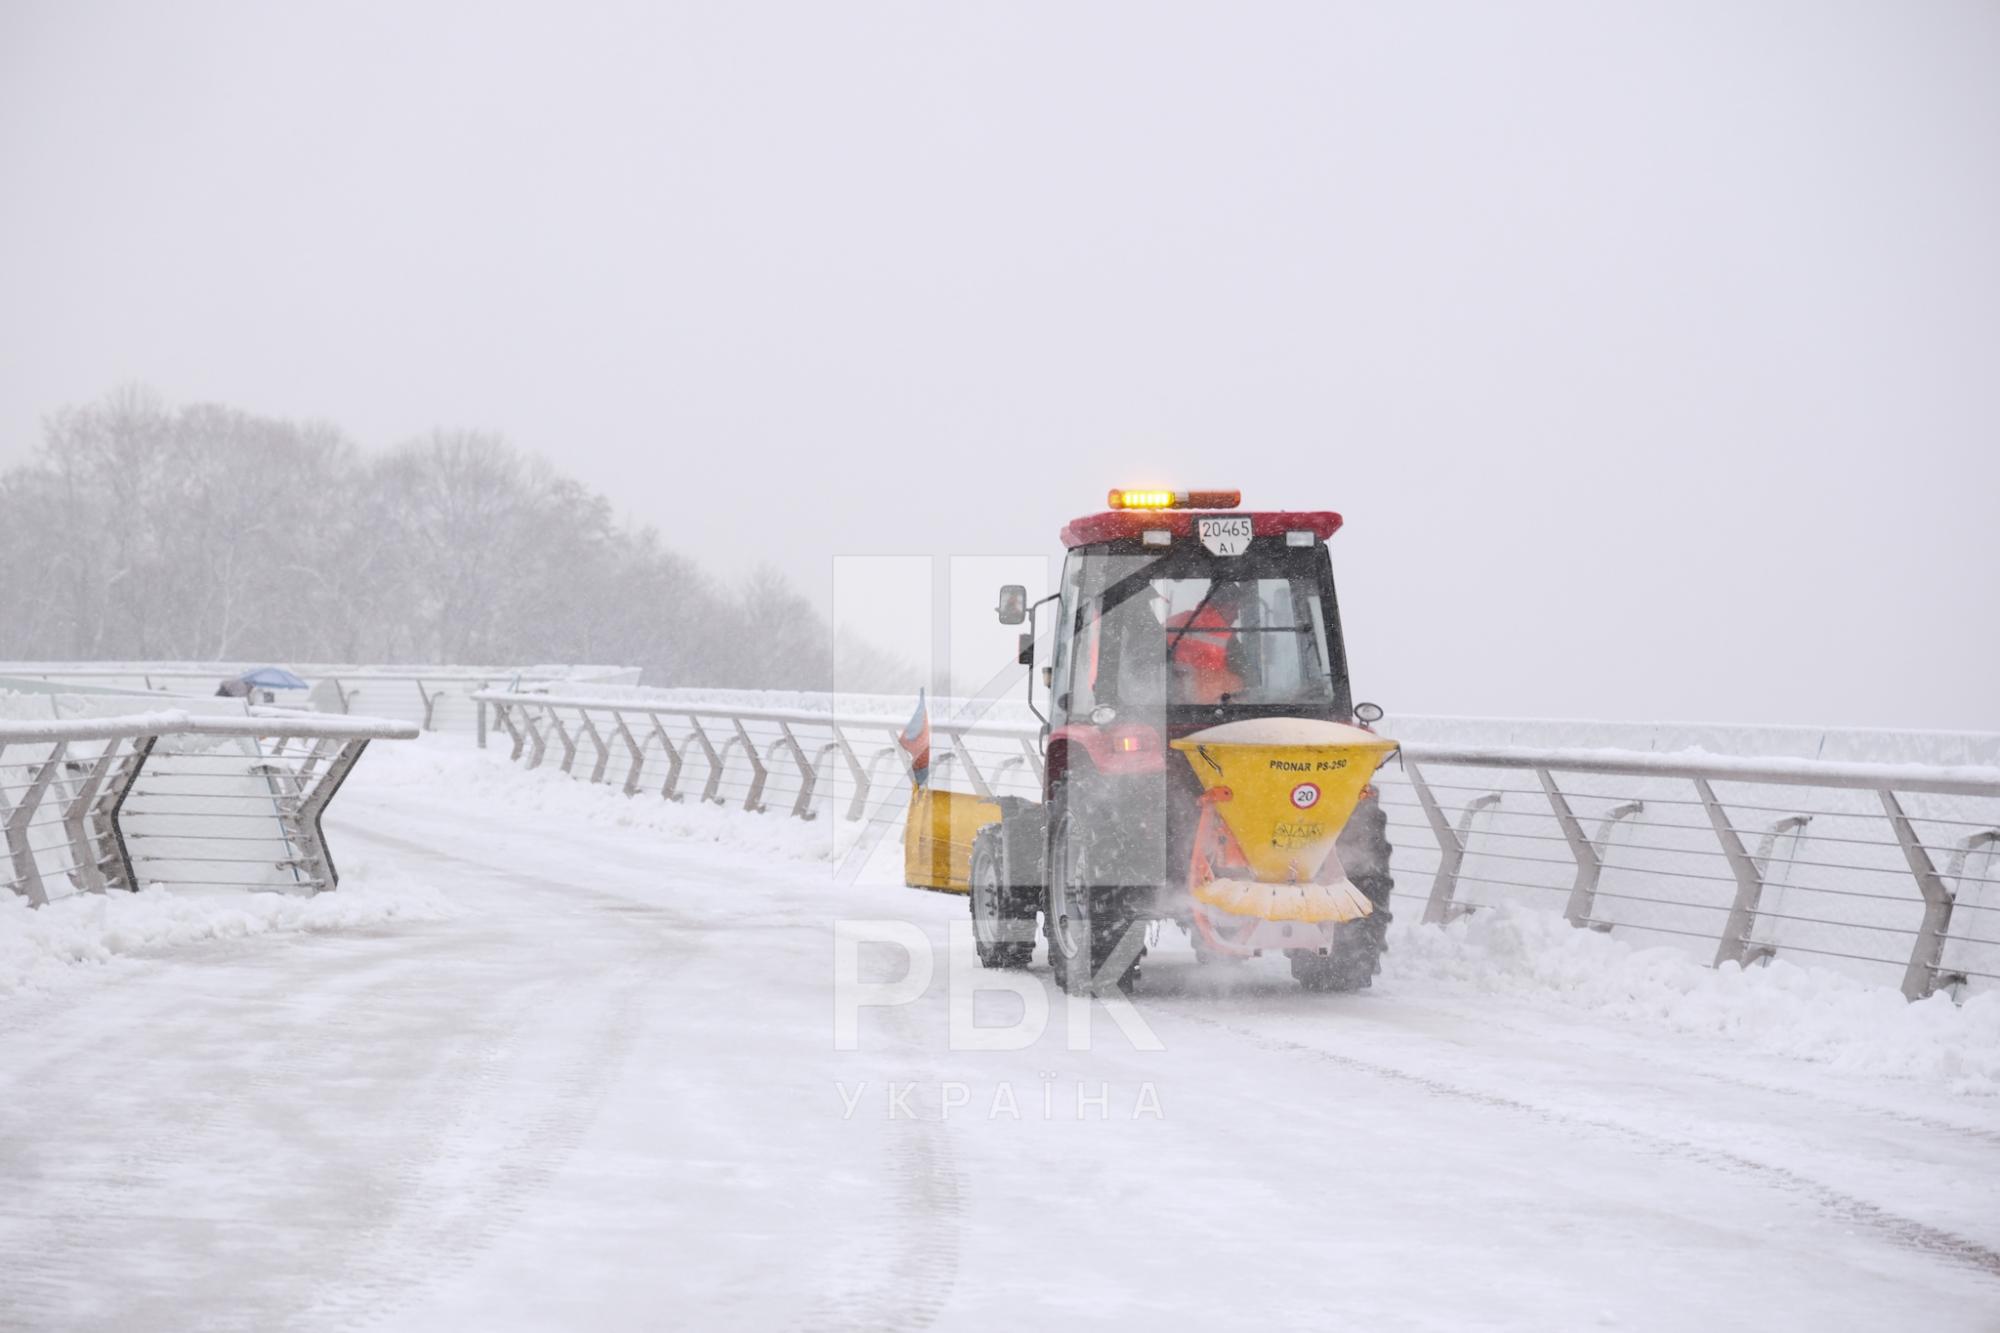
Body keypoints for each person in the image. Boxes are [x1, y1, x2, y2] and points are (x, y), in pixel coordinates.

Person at [1167, 581, 1249, 704]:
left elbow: (1153, 656)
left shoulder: (1176, 621)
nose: (1236, 616)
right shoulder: (1226, 635)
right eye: (1235, 609)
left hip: (1176, 709)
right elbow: (1244, 677)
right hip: (1210, 709)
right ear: (1227, 606)